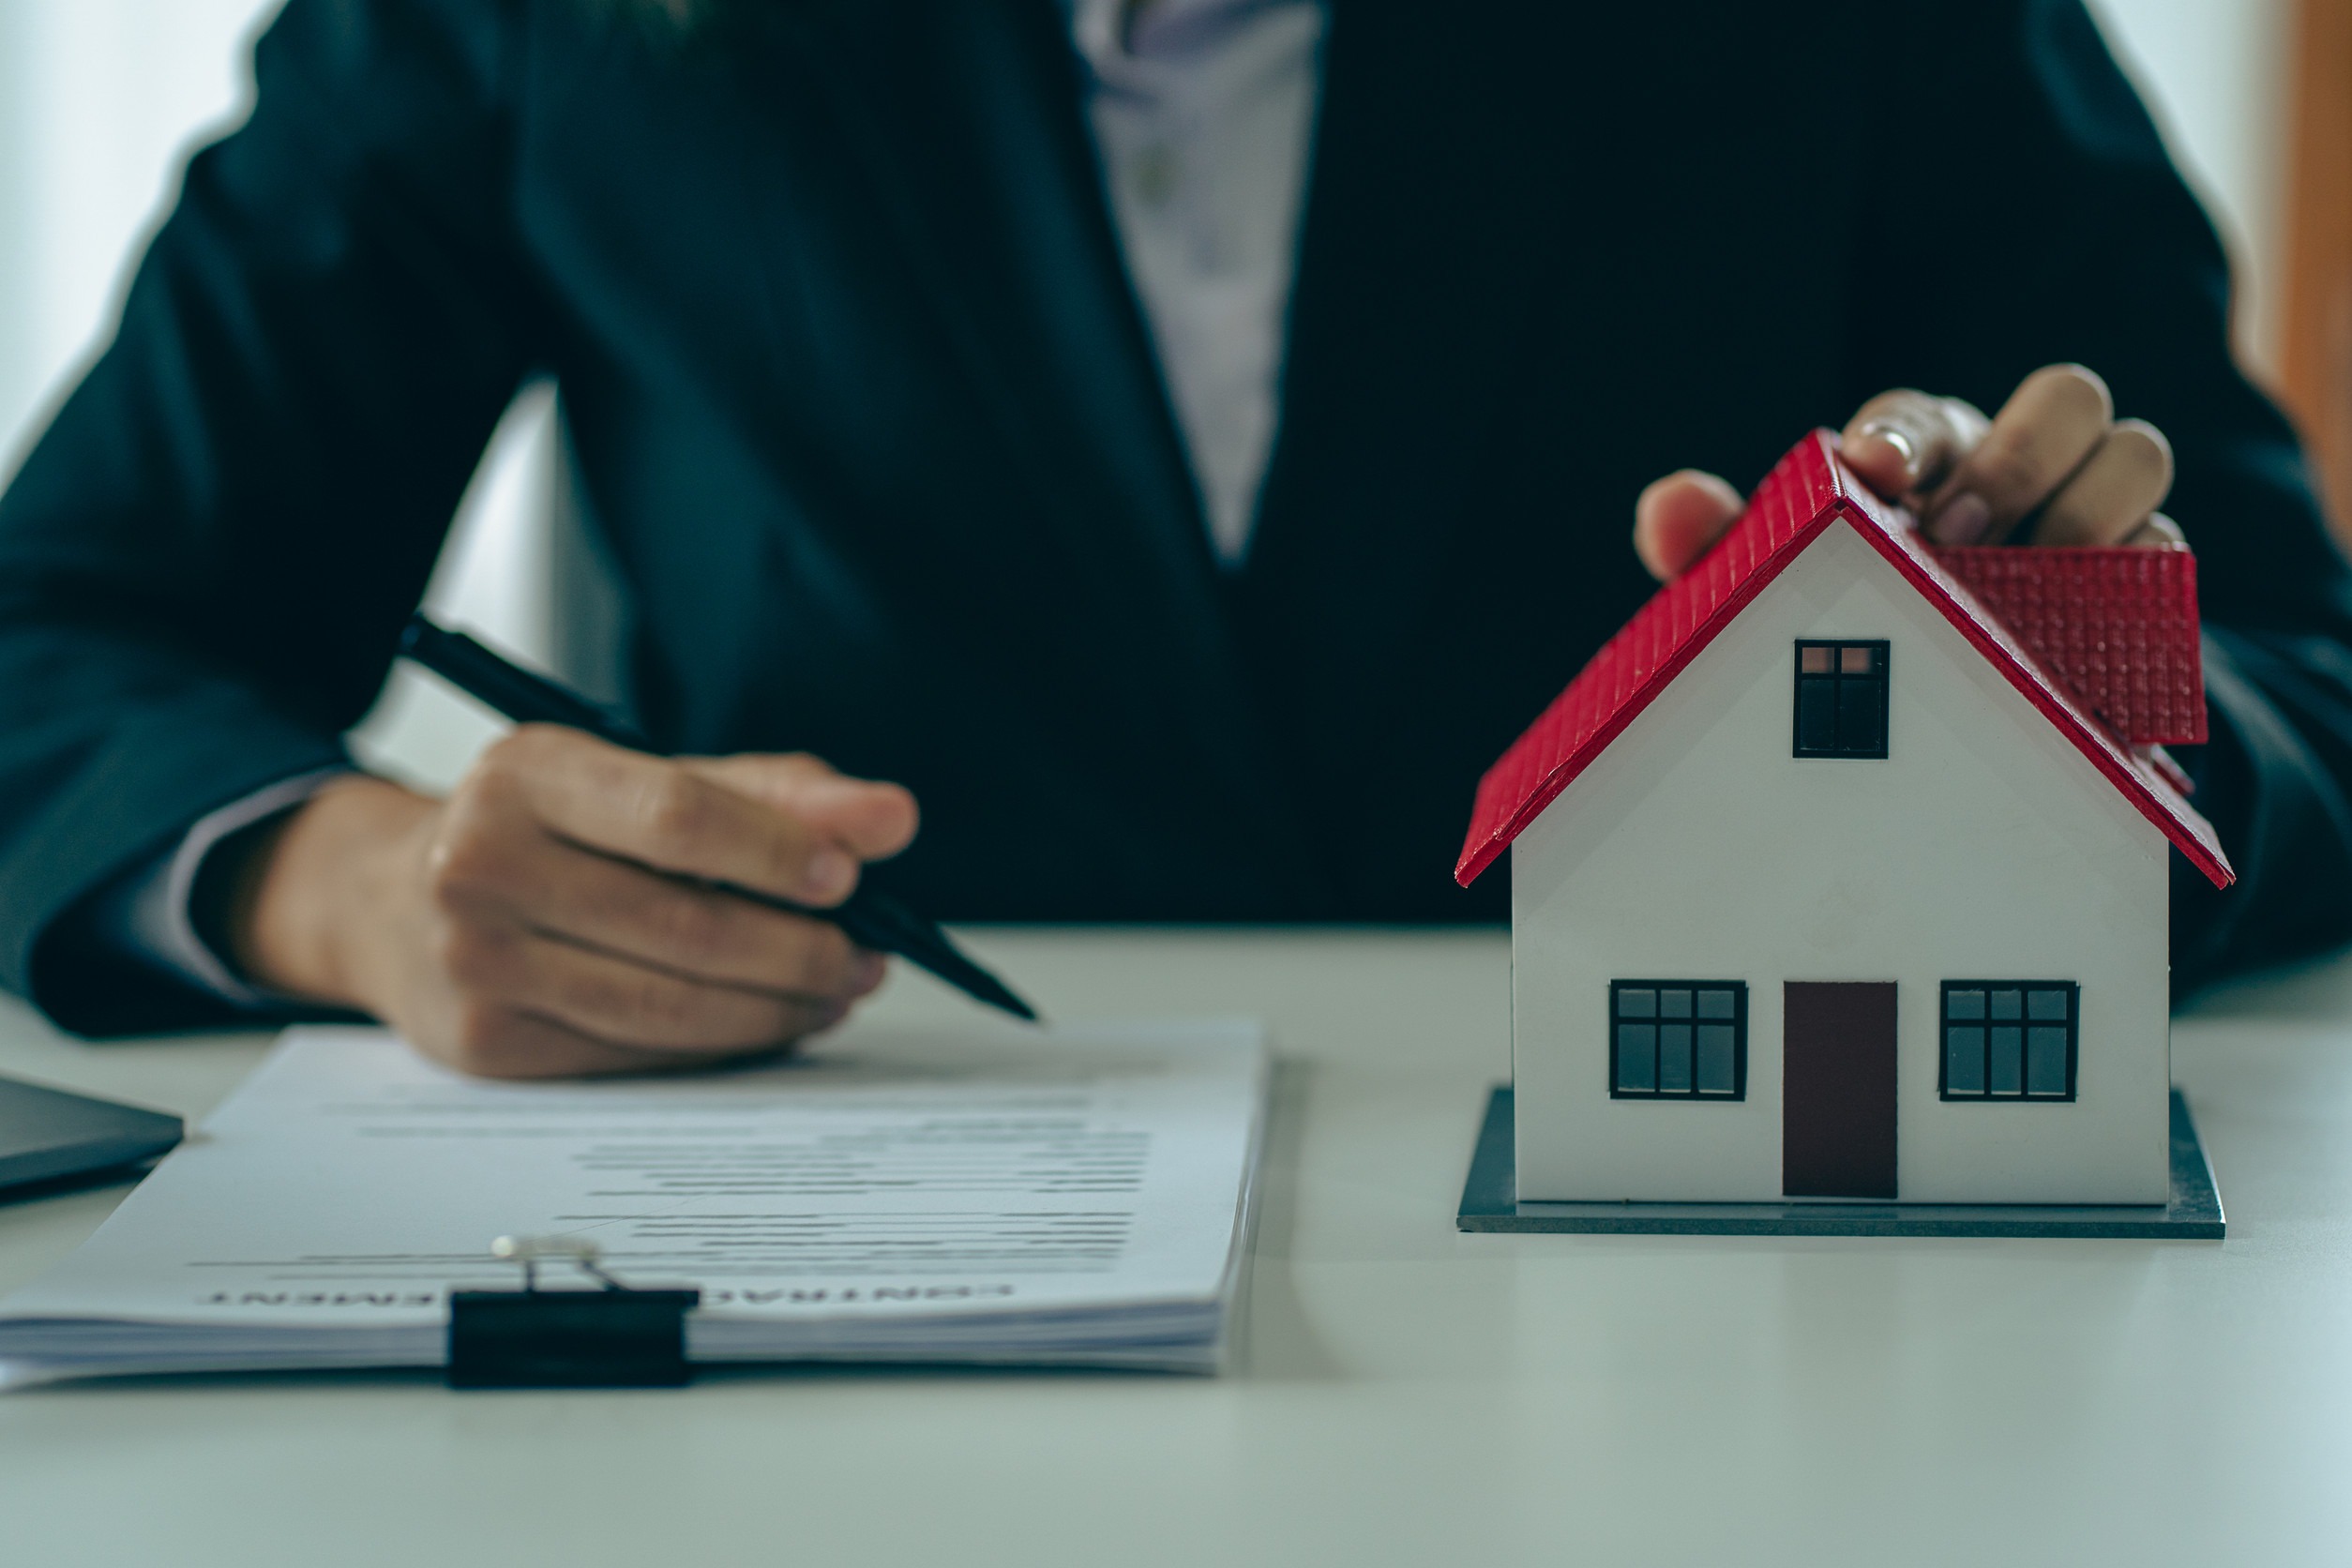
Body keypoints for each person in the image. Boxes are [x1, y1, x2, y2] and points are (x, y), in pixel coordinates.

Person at [1, 0, 2347, 1078]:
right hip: (826, 1266)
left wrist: (2080, 746)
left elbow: (2293, 666)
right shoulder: (506, 24)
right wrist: (358, 888)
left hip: (1744, 1323)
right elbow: (65, 619)